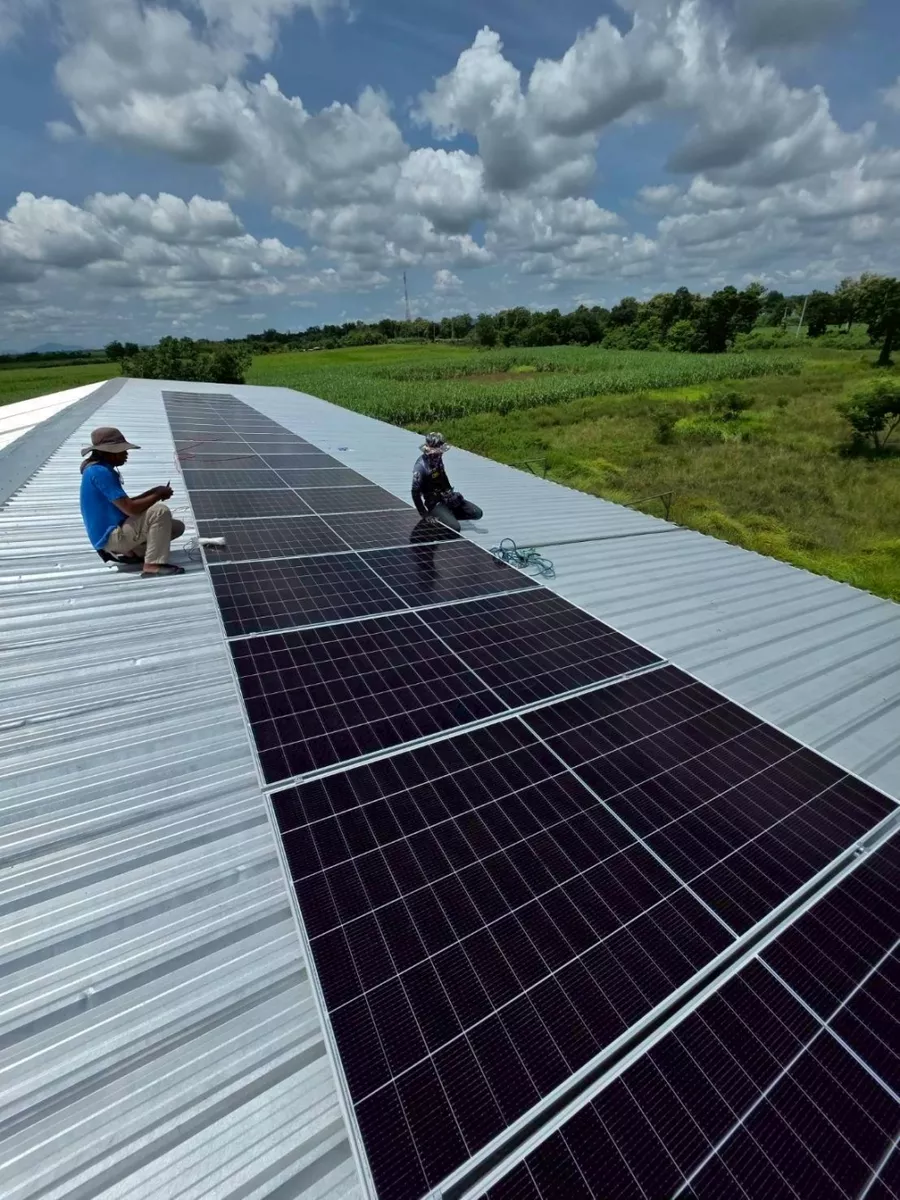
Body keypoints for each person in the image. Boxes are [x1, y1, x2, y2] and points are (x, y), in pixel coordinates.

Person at [80, 427, 186, 578]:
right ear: (108, 452)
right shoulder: (100, 473)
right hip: (109, 537)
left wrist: (154, 491)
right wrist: (157, 495)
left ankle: (132, 553)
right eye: (122, 450)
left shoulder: (98, 469)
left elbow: (124, 503)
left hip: (112, 532)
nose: (126, 454)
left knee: (176, 527)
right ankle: (152, 565)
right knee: (159, 511)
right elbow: (130, 509)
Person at [411, 432, 483, 532]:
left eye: (441, 452)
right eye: (437, 453)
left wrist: (450, 493)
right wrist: (424, 514)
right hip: (434, 503)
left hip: (445, 498)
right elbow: (415, 492)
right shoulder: (420, 467)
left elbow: (443, 476)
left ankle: (446, 515)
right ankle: (441, 515)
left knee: (477, 513)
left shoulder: (438, 460)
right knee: (455, 528)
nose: (440, 454)